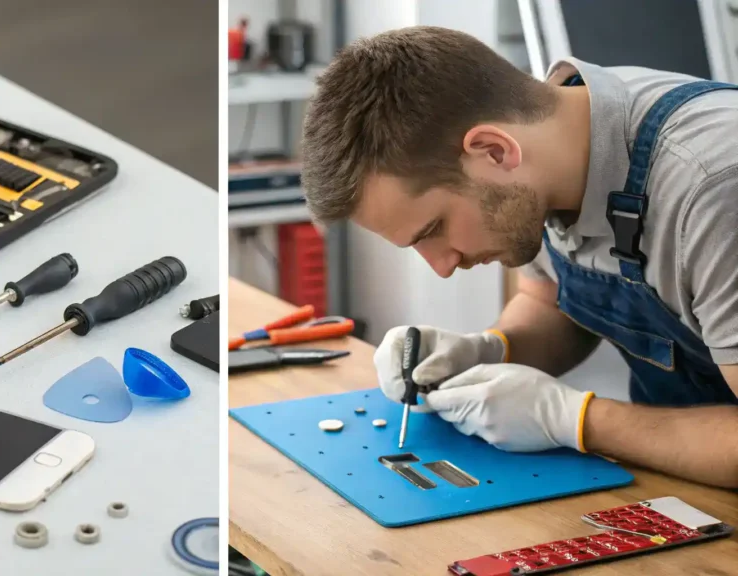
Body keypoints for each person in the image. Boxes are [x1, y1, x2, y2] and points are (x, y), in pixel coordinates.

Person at [299, 26, 738, 489]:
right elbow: (551, 299)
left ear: (494, 150)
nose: (443, 266)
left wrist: (577, 420)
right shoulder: (550, 143)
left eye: (434, 229)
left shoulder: (714, 189)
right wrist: (488, 350)